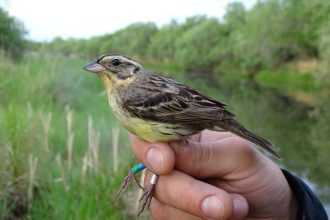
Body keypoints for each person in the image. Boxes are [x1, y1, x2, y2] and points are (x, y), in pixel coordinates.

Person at [130, 130, 328, 220]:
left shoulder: (131, 93)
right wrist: (292, 213)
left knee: (168, 157)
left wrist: (288, 211)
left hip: (185, 126)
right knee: (163, 158)